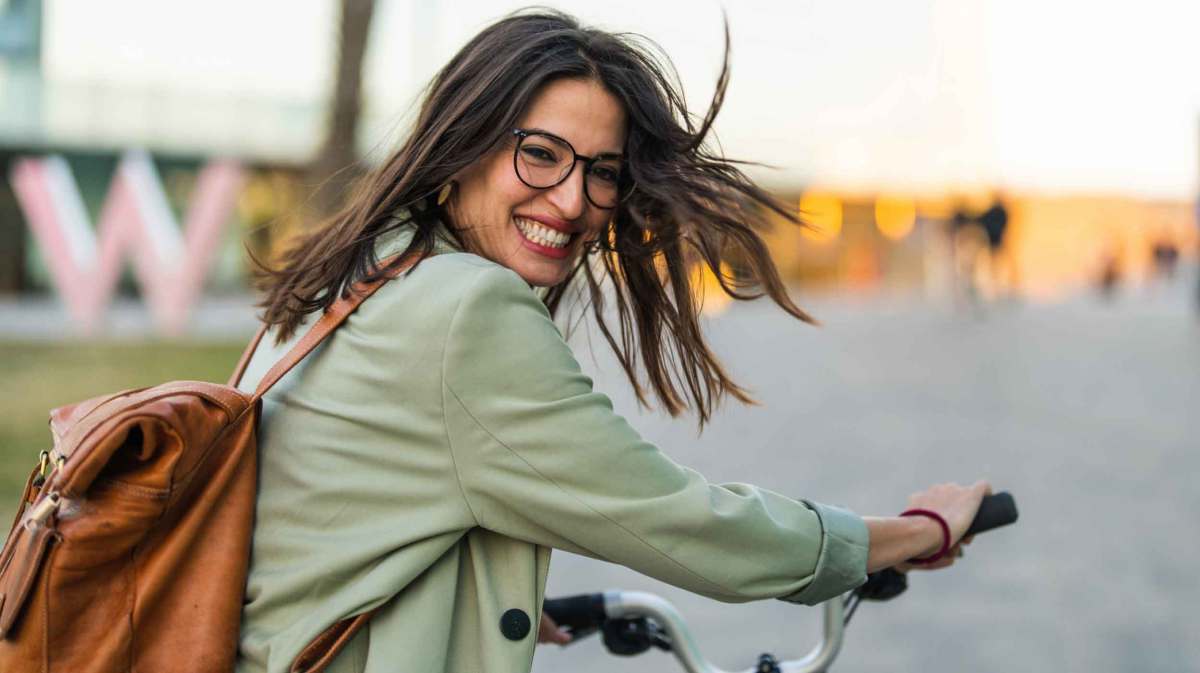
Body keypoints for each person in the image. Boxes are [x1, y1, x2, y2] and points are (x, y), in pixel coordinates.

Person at [233, 10, 989, 673]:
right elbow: (681, 521)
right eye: (540, 153)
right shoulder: (466, 306)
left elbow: (353, 506)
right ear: (463, 144)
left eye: (603, 172)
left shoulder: (362, 266)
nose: (572, 201)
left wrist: (495, 587)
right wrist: (905, 535)